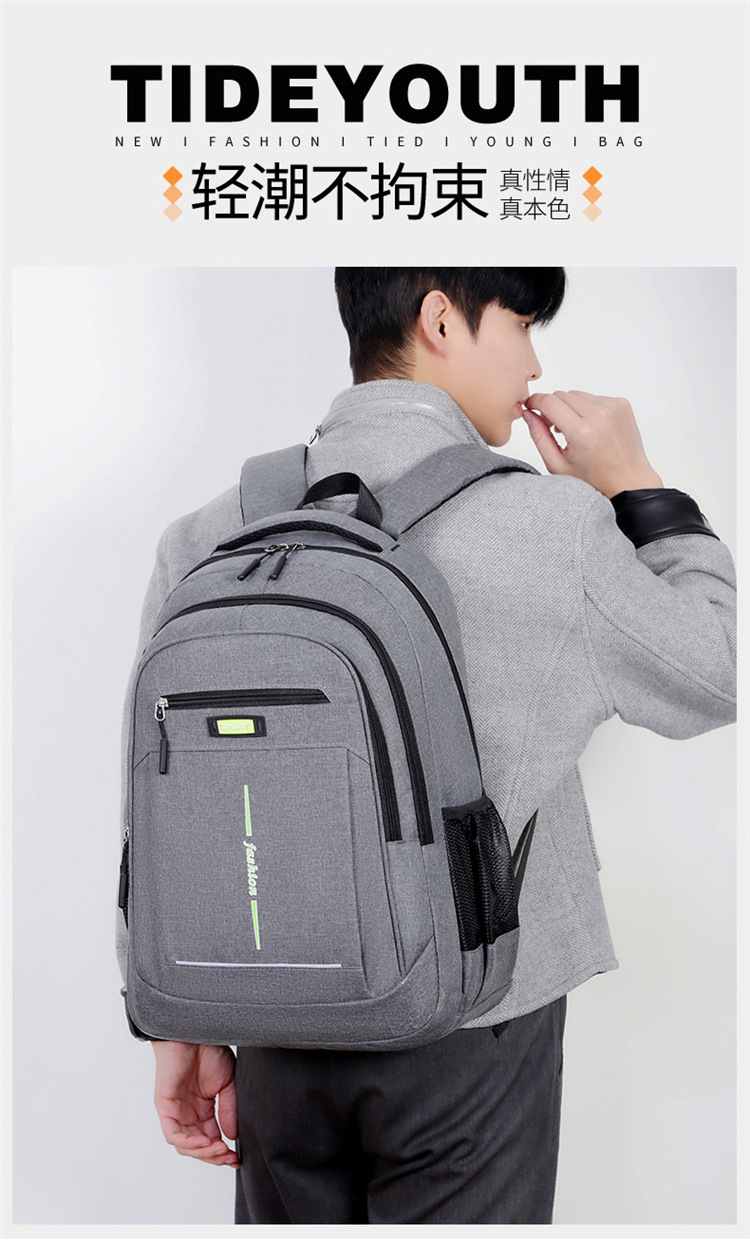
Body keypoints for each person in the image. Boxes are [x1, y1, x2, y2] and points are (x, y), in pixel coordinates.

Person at [119, 267, 736, 1224]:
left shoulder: (210, 533)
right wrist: (640, 491)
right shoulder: (549, 524)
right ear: (441, 319)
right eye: (522, 326)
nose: (534, 365)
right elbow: (715, 673)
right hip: (473, 1022)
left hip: (271, 1014)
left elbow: (155, 802)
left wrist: (170, 1016)